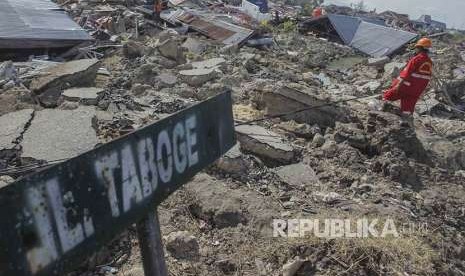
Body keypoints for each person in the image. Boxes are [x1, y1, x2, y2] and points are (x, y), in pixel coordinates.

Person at [382, 37, 433, 126]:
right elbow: (426, 78)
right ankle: (407, 124)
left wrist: (397, 85)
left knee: (387, 97)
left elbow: (406, 74)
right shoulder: (429, 62)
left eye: (417, 47)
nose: (415, 49)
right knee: (407, 109)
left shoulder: (416, 59)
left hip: (405, 87)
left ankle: (379, 114)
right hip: (416, 91)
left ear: (420, 48)